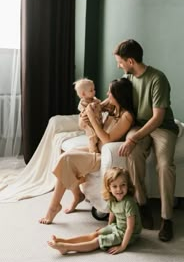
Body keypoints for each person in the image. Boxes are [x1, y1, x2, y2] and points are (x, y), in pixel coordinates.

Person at [39, 78, 135, 224]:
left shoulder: (126, 116)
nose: (107, 94)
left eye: (110, 92)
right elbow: (92, 107)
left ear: (119, 95)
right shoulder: (113, 107)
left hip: (103, 155)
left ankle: (54, 207)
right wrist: (86, 115)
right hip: (95, 149)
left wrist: (92, 118)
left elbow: (108, 139)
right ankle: (77, 195)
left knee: (67, 159)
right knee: (65, 155)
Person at [113, 39, 179, 242]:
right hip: (140, 124)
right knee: (132, 154)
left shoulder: (158, 78)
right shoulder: (127, 77)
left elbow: (158, 117)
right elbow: (114, 97)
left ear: (130, 60)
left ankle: (167, 219)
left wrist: (133, 137)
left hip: (162, 127)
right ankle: (142, 206)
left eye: (120, 61)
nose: (119, 65)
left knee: (165, 165)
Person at [47, 167, 142, 255]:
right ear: (109, 188)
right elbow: (112, 213)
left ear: (127, 185)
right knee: (95, 234)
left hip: (128, 233)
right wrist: (108, 228)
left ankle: (67, 248)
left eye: (123, 185)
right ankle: (63, 241)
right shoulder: (112, 199)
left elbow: (130, 228)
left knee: (97, 241)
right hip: (117, 227)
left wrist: (122, 246)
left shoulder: (129, 203)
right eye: (115, 186)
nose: (119, 189)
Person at [74, 78, 103, 153]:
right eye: (91, 90)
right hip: (88, 124)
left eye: (94, 89)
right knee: (92, 137)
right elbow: (86, 112)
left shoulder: (94, 99)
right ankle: (93, 152)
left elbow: (100, 104)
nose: (94, 91)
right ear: (83, 94)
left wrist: (98, 103)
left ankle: (97, 148)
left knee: (99, 136)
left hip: (97, 121)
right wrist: (91, 106)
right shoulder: (82, 103)